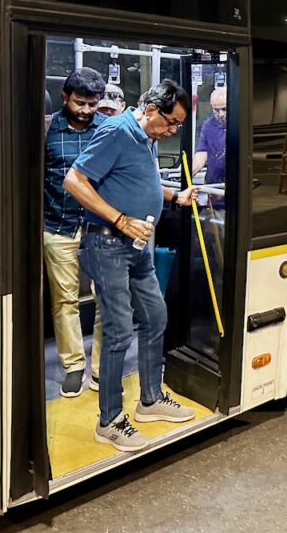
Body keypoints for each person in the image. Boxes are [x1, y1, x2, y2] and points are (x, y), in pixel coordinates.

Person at [63, 80, 199, 451]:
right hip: (107, 245)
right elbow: (74, 180)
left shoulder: (147, 139)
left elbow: (139, 179)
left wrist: (174, 195)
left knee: (155, 317)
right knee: (119, 332)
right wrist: (120, 219)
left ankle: (150, 400)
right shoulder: (118, 132)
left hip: (136, 248)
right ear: (152, 110)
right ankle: (108, 421)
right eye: (171, 122)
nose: (173, 131)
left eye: (178, 126)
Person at [44, 68, 107, 397]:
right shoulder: (45, 129)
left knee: (104, 298)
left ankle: (99, 369)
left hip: (99, 227)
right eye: (80, 103)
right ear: (65, 97)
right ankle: (73, 366)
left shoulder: (106, 129)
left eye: (92, 104)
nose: (85, 110)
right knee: (64, 300)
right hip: (57, 223)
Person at [192, 87, 227, 211]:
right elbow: (202, 152)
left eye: (225, 109)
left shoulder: (241, 124)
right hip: (214, 185)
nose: (221, 114)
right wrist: (189, 173)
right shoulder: (208, 125)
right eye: (216, 110)